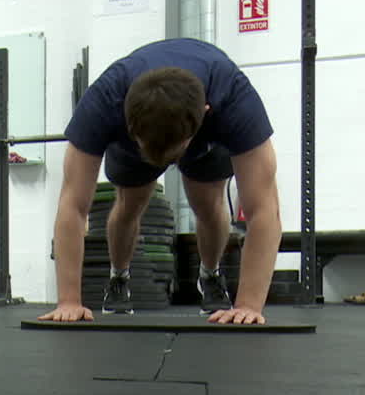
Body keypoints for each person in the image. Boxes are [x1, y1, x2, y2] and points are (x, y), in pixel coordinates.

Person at [39, 38, 281, 325]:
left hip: (203, 142)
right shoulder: (104, 101)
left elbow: (264, 210)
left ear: (204, 114)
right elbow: (73, 205)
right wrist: (69, 301)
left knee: (207, 205)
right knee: (129, 205)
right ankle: (119, 277)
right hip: (137, 142)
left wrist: (249, 306)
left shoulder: (233, 97)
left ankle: (211, 274)